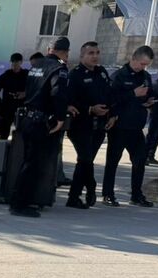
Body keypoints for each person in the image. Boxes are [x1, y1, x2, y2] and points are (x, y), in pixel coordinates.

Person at [10, 37, 71, 218]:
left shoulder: (36, 65)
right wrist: (60, 118)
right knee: (34, 164)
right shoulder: (59, 68)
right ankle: (20, 203)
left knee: (28, 161)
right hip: (42, 122)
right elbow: (57, 94)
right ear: (64, 52)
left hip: (28, 118)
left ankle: (24, 200)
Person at [102, 45, 156, 207]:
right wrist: (132, 94)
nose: (143, 67)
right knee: (113, 161)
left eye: (146, 65)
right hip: (119, 126)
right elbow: (111, 99)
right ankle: (108, 194)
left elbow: (148, 93)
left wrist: (148, 101)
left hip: (136, 127)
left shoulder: (145, 76)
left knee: (140, 161)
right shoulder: (119, 76)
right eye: (141, 63)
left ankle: (136, 194)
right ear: (133, 59)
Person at [65, 41, 112, 209]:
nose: (95, 56)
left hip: (98, 126)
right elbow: (69, 101)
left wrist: (111, 114)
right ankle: (88, 188)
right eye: (91, 53)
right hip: (80, 125)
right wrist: (90, 109)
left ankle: (75, 197)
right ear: (82, 55)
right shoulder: (75, 75)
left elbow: (109, 95)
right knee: (85, 158)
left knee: (86, 161)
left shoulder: (102, 73)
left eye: (97, 52)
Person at [0, 53, 28, 140]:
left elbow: (36, 89)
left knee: (22, 136)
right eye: (12, 62)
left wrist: (25, 93)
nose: (14, 64)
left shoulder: (26, 75)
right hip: (6, 108)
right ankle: (2, 152)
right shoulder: (5, 76)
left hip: (22, 108)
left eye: (16, 62)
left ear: (21, 62)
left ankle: (19, 152)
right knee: (3, 135)